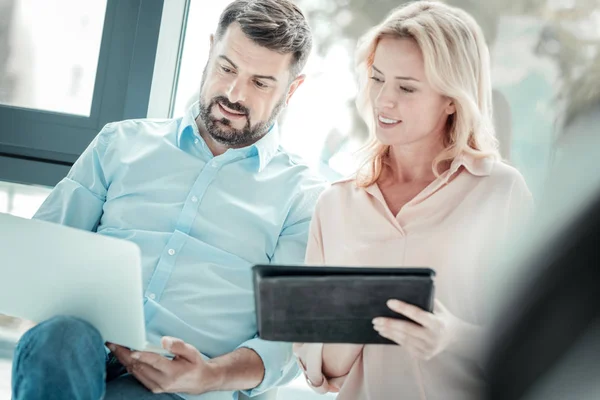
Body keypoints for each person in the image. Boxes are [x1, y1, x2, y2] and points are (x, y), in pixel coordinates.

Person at [11, 1, 325, 399]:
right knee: (56, 338)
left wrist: (209, 375)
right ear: (210, 50)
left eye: (260, 83)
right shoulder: (120, 143)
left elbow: (286, 343)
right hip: (80, 353)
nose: (233, 92)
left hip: (184, 387)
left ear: (291, 89)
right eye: (226, 68)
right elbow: (41, 251)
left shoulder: (302, 199)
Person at [293, 2, 532, 399]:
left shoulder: (500, 191)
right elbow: (319, 373)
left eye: (406, 87)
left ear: (452, 99)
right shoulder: (334, 205)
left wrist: (453, 336)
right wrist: (351, 326)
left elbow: (533, 339)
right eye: (377, 79)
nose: (383, 100)